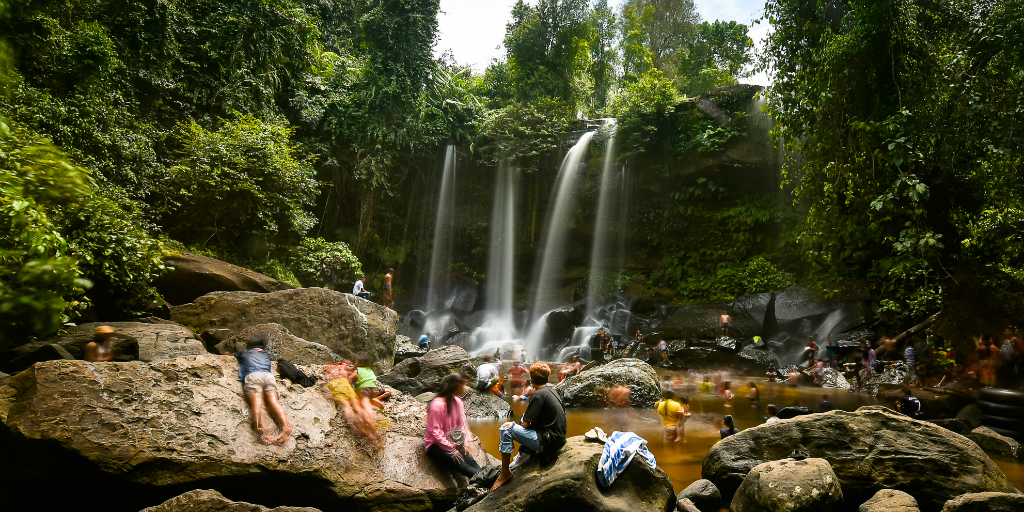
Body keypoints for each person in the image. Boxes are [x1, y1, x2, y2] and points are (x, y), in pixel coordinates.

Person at [492, 362, 566, 491]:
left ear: (531, 380)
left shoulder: (538, 395)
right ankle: (525, 453)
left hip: (548, 441)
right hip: (557, 437)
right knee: (523, 418)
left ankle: (505, 473)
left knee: (506, 428)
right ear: (548, 379)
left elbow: (526, 424)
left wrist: (518, 425)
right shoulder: (551, 391)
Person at [236, 333, 292, 444]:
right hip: (269, 376)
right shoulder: (266, 354)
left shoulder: (245, 353)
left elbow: (231, 354)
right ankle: (285, 427)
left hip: (253, 376)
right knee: (274, 402)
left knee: (257, 402)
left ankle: (259, 429)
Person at [424, 373, 482, 478]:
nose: (465, 388)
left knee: (470, 460)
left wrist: (466, 443)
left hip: (452, 440)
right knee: (460, 463)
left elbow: (463, 424)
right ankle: (487, 480)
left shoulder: (458, 402)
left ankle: (487, 476)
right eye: (463, 386)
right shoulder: (437, 405)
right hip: (436, 445)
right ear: (457, 387)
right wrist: (451, 450)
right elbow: (435, 432)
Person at [324, 355, 379, 440]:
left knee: (346, 405)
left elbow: (344, 377)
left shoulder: (331, 368)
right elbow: (347, 379)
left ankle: (354, 426)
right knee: (357, 406)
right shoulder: (348, 367)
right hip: (346, 385)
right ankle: (370, 424)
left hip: (337, 383)